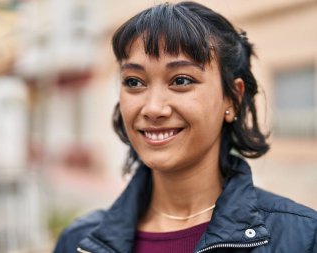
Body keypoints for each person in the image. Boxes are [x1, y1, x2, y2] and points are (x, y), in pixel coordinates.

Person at [54, 2, 317, 252]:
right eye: (134, 82)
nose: (153, 108)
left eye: (181, 80)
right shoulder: (78, 242)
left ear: (233, 99)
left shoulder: (301, 237)